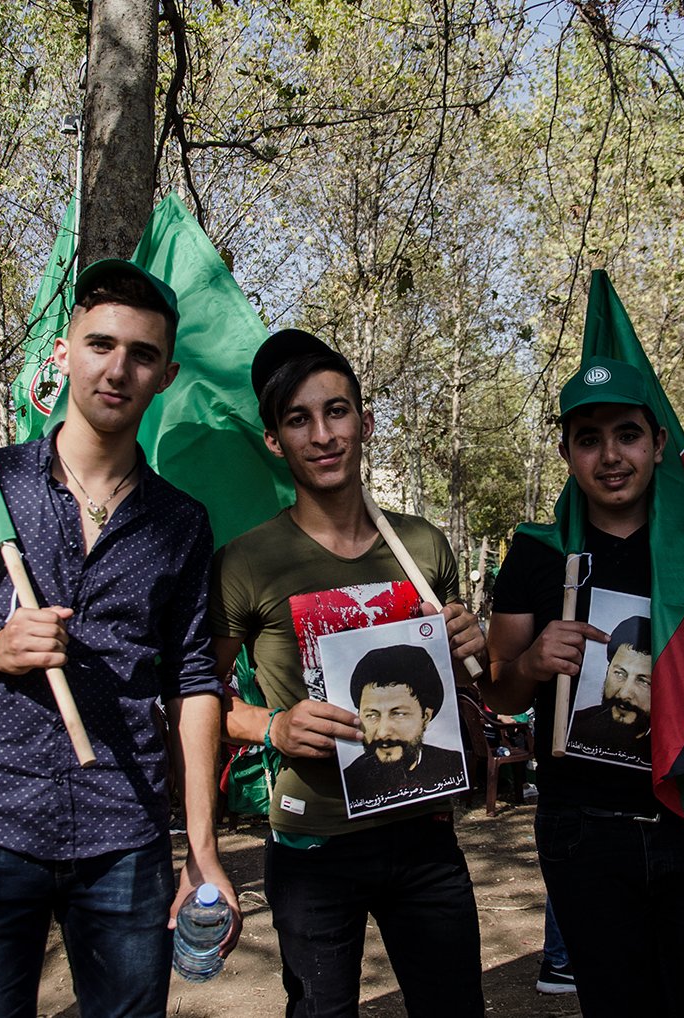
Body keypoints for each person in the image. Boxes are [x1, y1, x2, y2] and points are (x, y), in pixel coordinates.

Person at [0, 259, 235, 1018]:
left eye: (141, 354)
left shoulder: (183, 522)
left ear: (165, 375)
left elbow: (195, 684)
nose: (118, 368)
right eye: (100, 344)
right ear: (63, 353)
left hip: (125, 827)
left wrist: (201, 849)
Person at [212, 328, 487, 1017]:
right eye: (298, 419)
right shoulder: (246, 561)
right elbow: (195, 700)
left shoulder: (422, 544)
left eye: (337, 412)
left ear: (364, 423)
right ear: (274, 440)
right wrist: (270, 726)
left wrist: (472, 648)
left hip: (425, 834)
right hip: (314, 843)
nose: (323, 434)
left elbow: (472, 686)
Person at [484, 356, 684, 1016]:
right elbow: (498, 694)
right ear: (566, 451)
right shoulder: (536, 552)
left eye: (628, 435)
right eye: (589, 439)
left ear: (659, 442)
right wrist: (528, 666)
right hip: (587, 833)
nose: (611, 457)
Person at [341, 644, 466, 808]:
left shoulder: (453, 765)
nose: (383, 732)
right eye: (371, 715)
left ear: (425, 716)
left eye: (398, 714)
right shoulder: (350, 781)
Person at [564, 614, 651, 761]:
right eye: (619, 674)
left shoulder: (676, 747)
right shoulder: (574, 726)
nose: (624, 694)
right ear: (607, 670)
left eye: (643, 681)